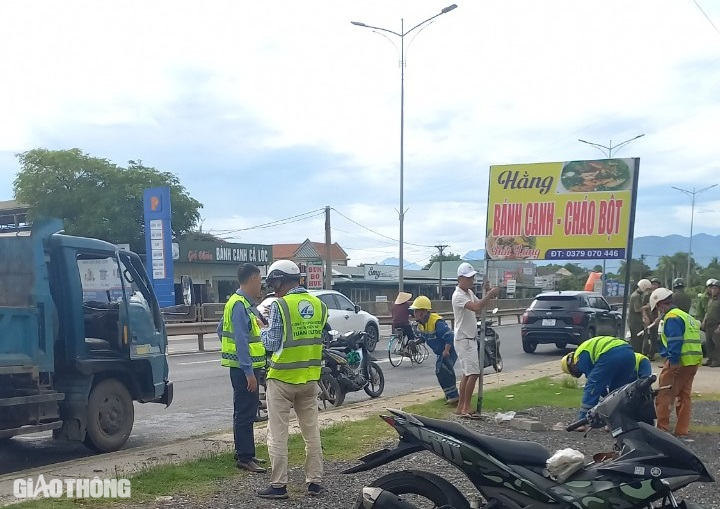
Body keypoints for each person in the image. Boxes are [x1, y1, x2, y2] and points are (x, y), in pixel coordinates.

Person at [257, 260, 329, 499]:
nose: (273, 288)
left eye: (274, 283)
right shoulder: (320, 305)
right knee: (311, 432)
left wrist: (261, 328)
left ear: (281, 280)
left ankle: (278, 486)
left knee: (277, 433)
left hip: (282, 379)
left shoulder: (281, 306)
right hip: (310, 378)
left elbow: (271, 343)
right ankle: (315, 482)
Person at [218, 263, 267, 473]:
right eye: (260, 280)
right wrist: (248, 371)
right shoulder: (239, 304)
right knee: (246, 413)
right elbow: (240, 339)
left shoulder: (239, 303)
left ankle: (245, 453)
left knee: (244, 411)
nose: (261, 285)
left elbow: (220, 330)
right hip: (244, 370)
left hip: (242, 367)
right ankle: (245, 458)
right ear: (253, 278)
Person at [650, 287, 703, 437]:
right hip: (693, 361)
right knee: (684, 396)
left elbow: (674, 340)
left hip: (679, 361)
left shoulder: (672, 317)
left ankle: (662, 429)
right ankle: (681, 430)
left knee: (665, 394)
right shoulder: (686, 316)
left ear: (660, 304)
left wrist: (673, 361)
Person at [451, 262, 500, 418]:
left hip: (469, 338)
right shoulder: (458, 295)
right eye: (468, 278)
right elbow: (477, 307)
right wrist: (490, 293)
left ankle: (461, 406)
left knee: (468, 373)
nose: (471, 280)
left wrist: (488, 292)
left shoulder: (469, 293)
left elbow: (481, 303)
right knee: (473, 373)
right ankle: (466, 406)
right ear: (460, 278)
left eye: (472, 278)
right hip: (464, 339)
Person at [560, 336, 637, 430]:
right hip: (629, 352)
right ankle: (614, 423)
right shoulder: (585, 348)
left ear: (571, 366)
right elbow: (603, 387)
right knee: (618, 391)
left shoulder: (580, 356)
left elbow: (595, 386)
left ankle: (582, 422)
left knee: (591, 387)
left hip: (610, 353)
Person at [409, 296, 460, 406]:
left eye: (416, 311)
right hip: (440, 352)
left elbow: (449, 337)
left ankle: (454, 396)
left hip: (450, 349)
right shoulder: (421, 324)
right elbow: (424, 337)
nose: (414, 313)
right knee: (440, 372)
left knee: (445, 371)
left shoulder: (437, 322)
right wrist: (415, 342)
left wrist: (446, 351)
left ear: (423, 312)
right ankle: (450, 394)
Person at [641, 278, 663, 360]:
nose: (654, 286)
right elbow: (642, 307)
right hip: (648, 317)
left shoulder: (660, 295)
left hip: (655, 318)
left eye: (656, 284)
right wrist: (645, 317)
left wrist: (659, 317)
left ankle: (651, 354)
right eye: (653, 284)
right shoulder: (647, 295)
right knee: (645, 336)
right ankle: (644, 353)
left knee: (654, 337)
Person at [628, 279, 652, 353]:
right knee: (636, 341)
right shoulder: (636, 296)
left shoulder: (637, 295)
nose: (647, 291)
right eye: (647, 289)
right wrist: (647, 306)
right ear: (643, 287)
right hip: (635, 322)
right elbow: (637, 309)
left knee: (637, 340)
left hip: (635, 321)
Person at [701, 279, 720, 367]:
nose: (713, 290)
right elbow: (707, 312)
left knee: (717, 344)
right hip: (709, 324)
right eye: (712, 288)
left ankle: (717, 360)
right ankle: (710, 358)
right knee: (709, 343)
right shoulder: (711, 299)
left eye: (716, 288)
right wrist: (704, 321)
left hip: (716, 325)